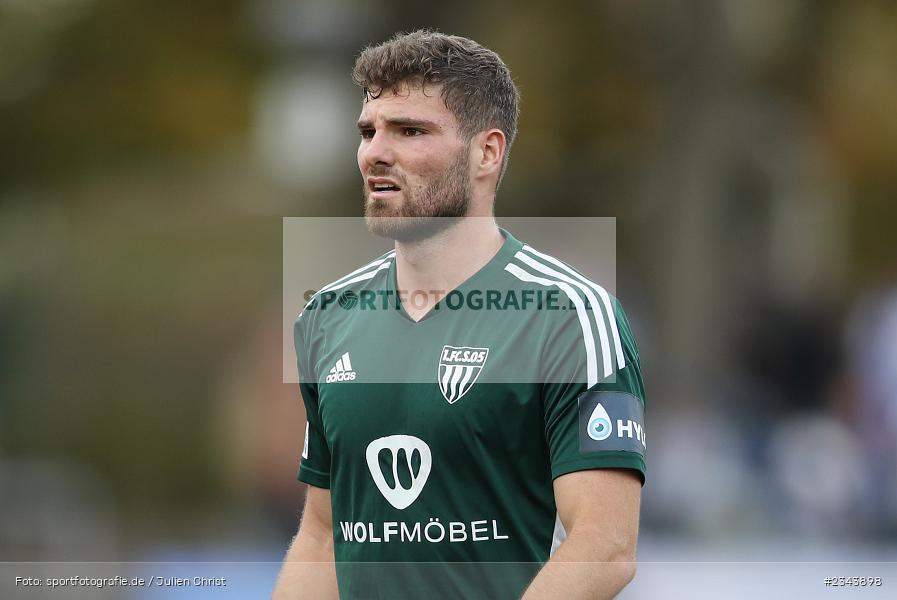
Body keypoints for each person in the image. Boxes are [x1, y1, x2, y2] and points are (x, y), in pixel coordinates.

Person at [273, 30, 646, 600]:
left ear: (486, 153)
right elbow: (323, 535)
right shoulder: (327, 316)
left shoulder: (568, 315)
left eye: (410, 131)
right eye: (369, 131)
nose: (376, 151)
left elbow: (605, 546)